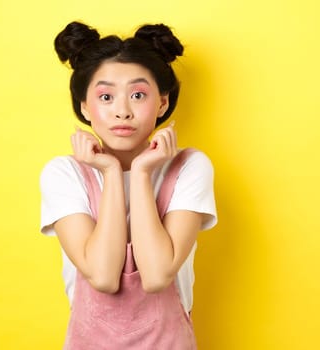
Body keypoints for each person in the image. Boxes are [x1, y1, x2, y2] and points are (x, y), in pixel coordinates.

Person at [39, 21, 217, 349]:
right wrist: (109, 172)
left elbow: (157, 274)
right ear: (84, 107)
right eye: (106, 96)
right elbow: (103, 276)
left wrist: (140, 173)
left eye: (138, 95)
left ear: (163, 103)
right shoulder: (64, 174)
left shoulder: (190, 167)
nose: (122, 111)